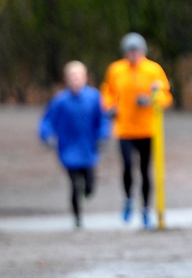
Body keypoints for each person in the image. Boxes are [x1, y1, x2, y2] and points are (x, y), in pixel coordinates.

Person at [100, 32, 173, 229]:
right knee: (127, 167)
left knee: (145, 170)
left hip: (148, 129)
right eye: (129, 51)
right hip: (124, 128)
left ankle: (146, 208)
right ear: (124, 52)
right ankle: (128, 200)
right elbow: (107, 92)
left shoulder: (153, 70)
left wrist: (151, 100)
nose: (133, 54)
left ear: (143, 51)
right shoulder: (116, 70)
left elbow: (166, 96)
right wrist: (109, 108)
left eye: (136, 51)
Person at [39, 60, 111, 228]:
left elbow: (103, 119)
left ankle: (88, 190)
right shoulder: (60, 101)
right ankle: (77, 217)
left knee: (89, 184)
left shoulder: (94, 97)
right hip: (68, 149)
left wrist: (103, 136)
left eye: (78, 76)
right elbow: (47, 121)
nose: (75, 80)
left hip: (88, 148)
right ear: (66, 79)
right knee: (74, 185)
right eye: (72, 77)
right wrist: (47, 136)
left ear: (85, 78)